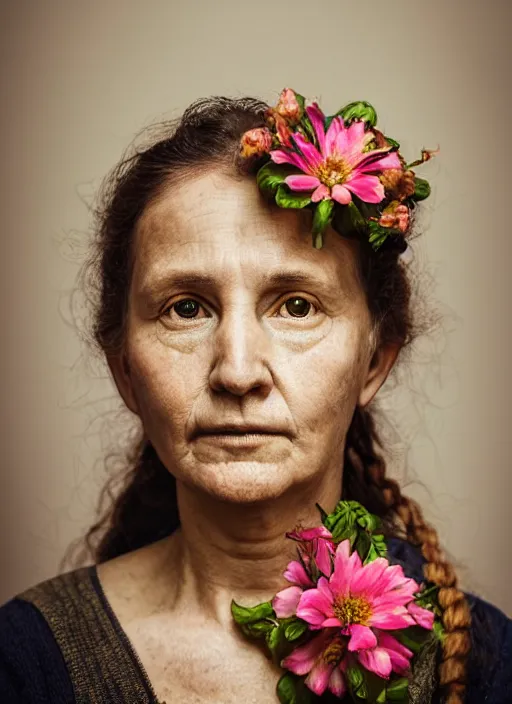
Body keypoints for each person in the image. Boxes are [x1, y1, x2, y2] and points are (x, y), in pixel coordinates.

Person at [0, 89, 510, 704]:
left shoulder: (483, 666)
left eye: (297, 306)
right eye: (185, 308)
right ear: (125, 371)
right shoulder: (25, 664)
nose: (238, 372)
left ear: (373, 360)